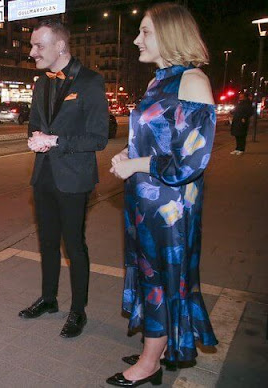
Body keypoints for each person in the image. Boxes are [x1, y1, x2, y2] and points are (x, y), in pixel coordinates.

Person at [107, 3, 218, 386]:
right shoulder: (160, 81)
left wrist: (137, 166)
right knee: (149, 274)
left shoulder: (193, 81)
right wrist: (127, 154)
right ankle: (156, 348)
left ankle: (150, 362)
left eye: (145, 32)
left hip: (171, 207)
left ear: (170, 34)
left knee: (163, 277)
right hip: (146, 203)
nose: (137, 39)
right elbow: (154, 141)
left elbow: (191, 162)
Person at [19, 19, 108, 339]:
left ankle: (78, 311)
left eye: (38, 46)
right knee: (46, 243)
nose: (32, 52)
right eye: (31, 45)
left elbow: (98, 138)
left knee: (74, 245)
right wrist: (35, 138)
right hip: (43, 175)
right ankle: (48, 299)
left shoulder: (91, 82)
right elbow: (34, 125)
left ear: (60, 46)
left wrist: (55, 141)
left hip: (73, 178)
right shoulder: (41, 83)